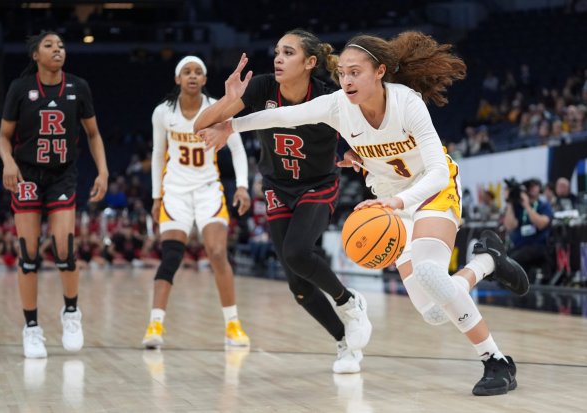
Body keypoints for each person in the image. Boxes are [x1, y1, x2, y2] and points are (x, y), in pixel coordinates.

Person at [198, 31, 530, 395]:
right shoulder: (338, 105)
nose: (346, 80)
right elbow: (286, 116)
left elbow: (436, 170)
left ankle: (495, 360)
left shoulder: (407, 103)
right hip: (388, 199)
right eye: (342, 73)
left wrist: (401, 202)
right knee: (434, 312)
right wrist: (231, 124)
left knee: (432, 272)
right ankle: (487, 262)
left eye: (355, 72)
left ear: (380, 72)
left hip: (430, 191)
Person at [195, 29, 372, 374]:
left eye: (288, 53)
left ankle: (349, 302)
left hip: (318, 184)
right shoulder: (261, 87)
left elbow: (363, 130)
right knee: (298, 286)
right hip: (277, 186)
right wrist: (227, 99)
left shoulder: (329, 95)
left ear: (309, 62)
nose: (278, 58)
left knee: (296, 253)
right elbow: (201, 126)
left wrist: (355, 152)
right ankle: (344, 342)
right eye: (277, 51)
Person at [0, 31, 108, 358]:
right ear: (35, 55)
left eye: (60, 45)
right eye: (49, 45)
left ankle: (71, 313)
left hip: (62, 175)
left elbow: (94, 134)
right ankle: (31, 328)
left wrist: (103, 171)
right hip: (27, 174)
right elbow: (3, 138)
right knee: (28, 254)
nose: (57, 49)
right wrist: (7, 163)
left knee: (65, 248)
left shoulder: (78, 87)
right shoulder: (20, 89)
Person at [141, 55, 252, 349]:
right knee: (172, 256)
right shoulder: (163, 113)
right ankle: (155, 324)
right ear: (178, 79)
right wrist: (156, 196)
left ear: (204, 80)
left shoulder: (216, 108)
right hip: (175, 190)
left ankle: (233, 325)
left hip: (207, 189)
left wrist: (242, 187)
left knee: (217, 253)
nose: (192, 75)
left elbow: (238, 149)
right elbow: (156, 156)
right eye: (186, 71)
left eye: (198, 72)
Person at [503, 178, 554, 281]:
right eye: (529, 186)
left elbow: (541, 224)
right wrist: (509, 202)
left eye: (534, 186)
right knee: (504, 256)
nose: (532, 189)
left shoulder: (543, 205)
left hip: (538, 246)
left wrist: (527, 205)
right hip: (519, 246)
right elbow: (510, 225)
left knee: (515, 258)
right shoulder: (518, 207)